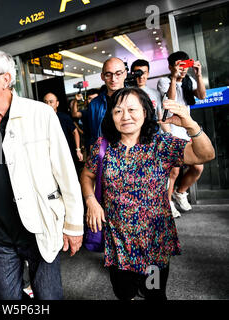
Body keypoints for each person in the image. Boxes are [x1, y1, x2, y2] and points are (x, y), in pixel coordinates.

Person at [0, 50, 84, 300]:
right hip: (0, 234)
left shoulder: (40, 114)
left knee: (48, 296)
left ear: (5, 79)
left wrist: (74, 224)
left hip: (40, 225)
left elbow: (66, 172)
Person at [80, 87, 214, 300]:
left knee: (154, 294)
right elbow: (87, 175)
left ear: (145, 112)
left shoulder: (161, 145)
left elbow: (205, 154)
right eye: (118, 111)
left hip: (154, 245)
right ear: (111, 116)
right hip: (118, 244)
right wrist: (91, 201)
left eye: (132, 109)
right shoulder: (102, 147)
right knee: (124, 294)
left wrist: (190, 124)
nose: (125, 116)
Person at [158, 51, 206, 217]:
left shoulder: (189, 80)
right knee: (174, 171)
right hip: (171, 131)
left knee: (198, 167)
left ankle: (180, 192)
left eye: (185, 65)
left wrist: (198, 75)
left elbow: (201, 95)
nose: (183, 68)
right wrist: (174, 77)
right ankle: (168, 203)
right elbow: (170, 101)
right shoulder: (163, 81)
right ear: (170, 66)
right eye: (179, 65)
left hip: (186, 131)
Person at [75, 58, 127, 151]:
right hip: (106, 155)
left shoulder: (138, 98)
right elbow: (92, 134)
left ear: (125, 74)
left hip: (135, 153)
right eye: (108, 74)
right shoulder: (94, 104)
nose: (113, 79)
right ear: (102, 76)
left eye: (118, 74)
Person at [43, 92, 83, 169]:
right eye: (46, 102)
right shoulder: (41, 120)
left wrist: (78, 150)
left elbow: (75, 132)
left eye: (51, 102)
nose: (48, 104)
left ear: (57, 104)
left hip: (68, 152)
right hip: (52, 155)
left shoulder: (64, 117)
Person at [130, 59, 162, 124]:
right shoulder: (127, 94)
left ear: (148, 74)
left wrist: (168, 133)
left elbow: (160, 117)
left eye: (144, 73)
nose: (141, 76)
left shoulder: (155, 93)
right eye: (138, 73)